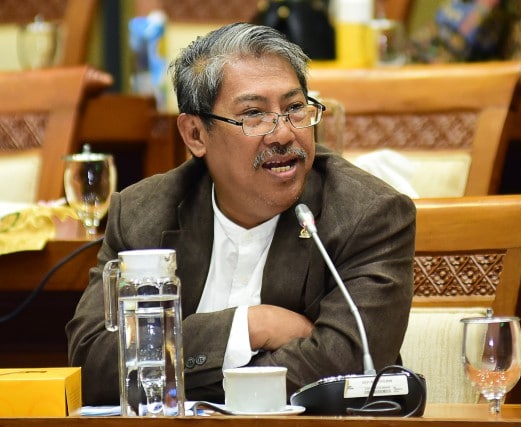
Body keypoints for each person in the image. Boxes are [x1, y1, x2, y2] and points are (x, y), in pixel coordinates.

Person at [66, 22, 416, 405]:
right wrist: (249, 326)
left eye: (295, 108)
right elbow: (92, 365)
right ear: (195, 134)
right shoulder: (142, 215)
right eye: (254, 114)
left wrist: (167, 375)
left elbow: (345, 367)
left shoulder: (368, 215)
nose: (284, 134)